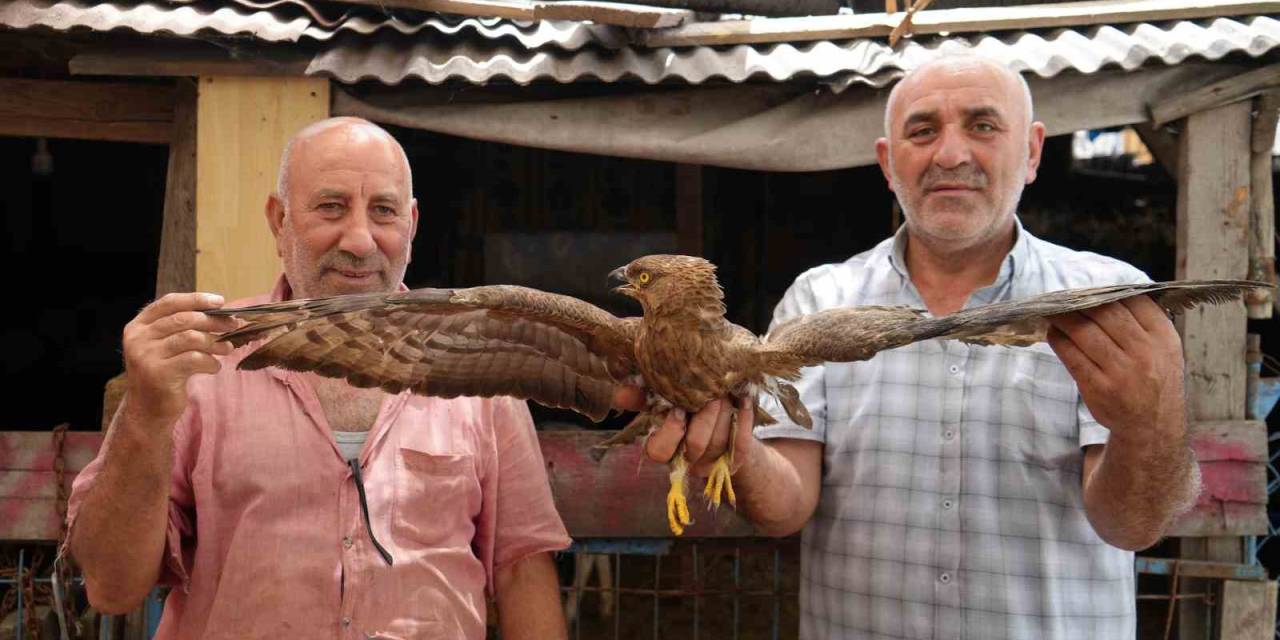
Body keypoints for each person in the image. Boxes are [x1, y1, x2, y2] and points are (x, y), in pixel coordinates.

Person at [644, 54, 1198, 639]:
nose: (951, 155)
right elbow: (787, 507)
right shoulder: (820, 299)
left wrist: (1149, 426)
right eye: (922, 130)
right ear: (888, 162)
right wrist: (734, 450)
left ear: (1032, 152)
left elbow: (1132, 525)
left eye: (983, 126)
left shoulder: (1105, 304)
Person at [64, 117, 578, 640]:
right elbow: (111, 588)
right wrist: (147, 414)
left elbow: (520, 571)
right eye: (331, 207)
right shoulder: (202, 365)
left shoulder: (481, 374)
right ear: (278, 220)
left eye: (383, 211)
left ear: (413, 224)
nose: (359, 240)